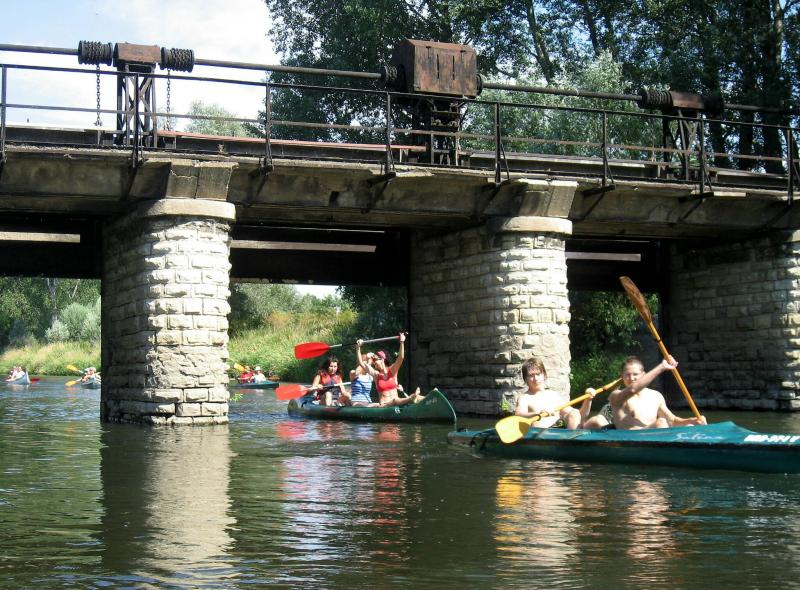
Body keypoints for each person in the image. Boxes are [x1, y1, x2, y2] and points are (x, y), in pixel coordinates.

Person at [580, 356, 707, 430]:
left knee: (688, 426)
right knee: (661, 423)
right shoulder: (616, 396)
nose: (631, 378)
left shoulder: (656, 396)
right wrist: (661, 367)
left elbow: (672, 420)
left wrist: (692, 420)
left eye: (635, 374)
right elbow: (632, 389)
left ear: (643, 375)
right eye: (627, 375)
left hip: (651, 435)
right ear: (622, 376)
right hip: (628, 440)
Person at [355, 333, 423, 407]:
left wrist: (402, 342)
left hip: (397, 403)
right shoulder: (376, 374)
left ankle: (430, 397)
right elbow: (361, 363)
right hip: (384, 405)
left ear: (382, 359)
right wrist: (358, 348)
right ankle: (411, 398)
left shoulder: (392, 370)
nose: (373, 362)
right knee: (394, 401)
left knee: (418, 397)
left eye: (375, 360)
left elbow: (401, 358)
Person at [514, 357, 581, 429]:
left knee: (575, 413)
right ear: (525, 379)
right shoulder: (524, 398)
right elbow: (518, 415)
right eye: (531, 375)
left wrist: (587, 402)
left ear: (544, 375)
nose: (535, 379)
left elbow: (571, 412)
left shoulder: (553, 395)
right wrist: (538, 413)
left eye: (538, 374)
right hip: (538, 434)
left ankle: (573, 435)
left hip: (559, 432)